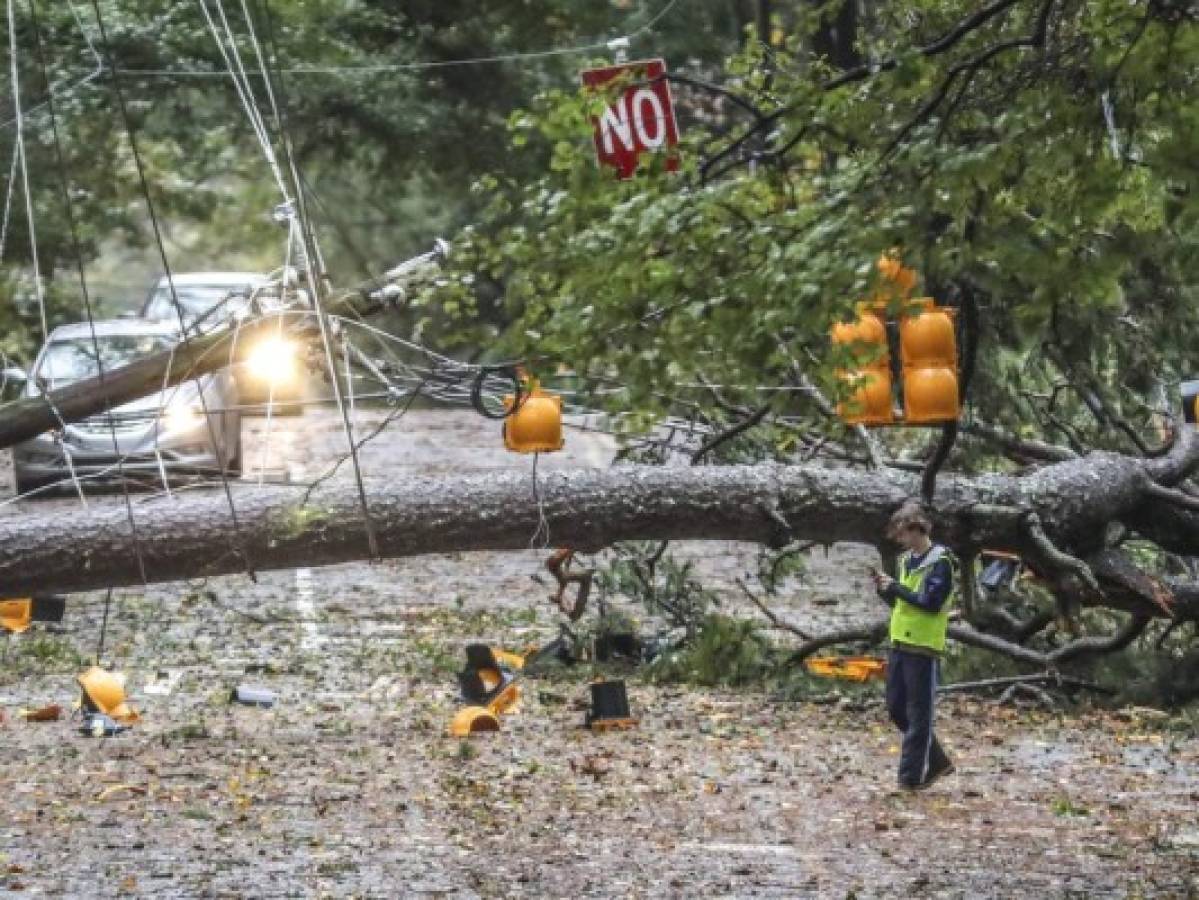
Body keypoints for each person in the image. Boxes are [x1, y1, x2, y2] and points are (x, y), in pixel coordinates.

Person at [870, 501, 957, 791]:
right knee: (896, 708)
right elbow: (903, 602)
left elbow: (930, 604)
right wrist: (887, 590)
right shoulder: (908, 560)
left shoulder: (941, 562)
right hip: (900, 643)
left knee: (919, 715)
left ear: (917, 529)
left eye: (903, 534)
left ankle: (909, 779)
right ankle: (937, 759)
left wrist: (896, 588)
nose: (900, 540)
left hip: (923, 646)